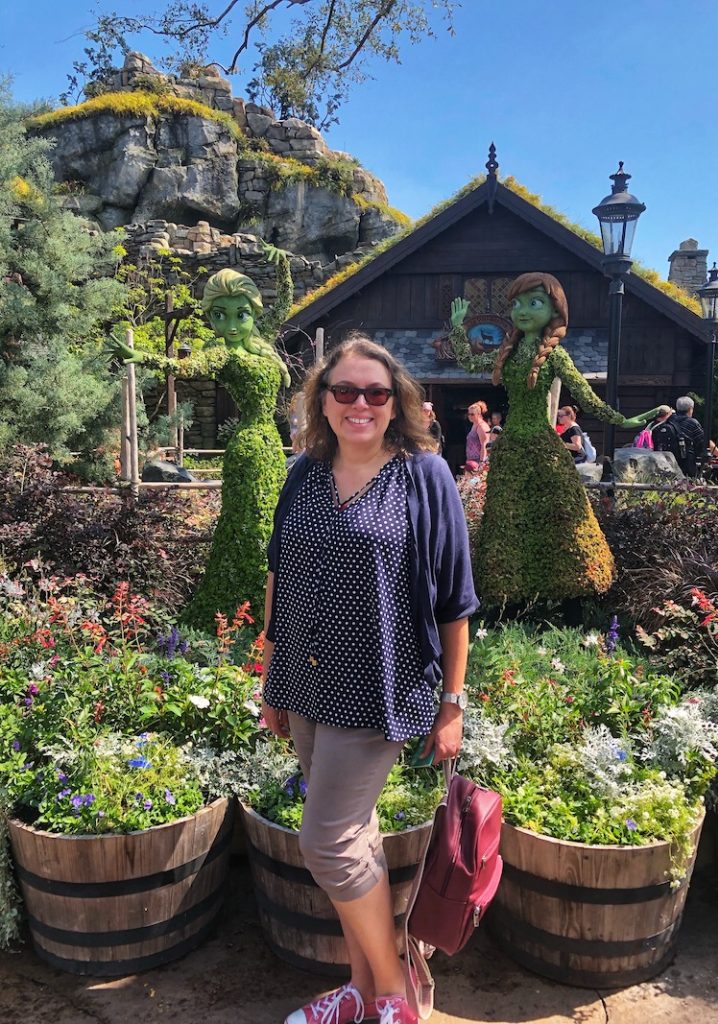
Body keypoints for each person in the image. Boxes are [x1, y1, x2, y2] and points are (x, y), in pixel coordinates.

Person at [261, 333, 478, 1024]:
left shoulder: (424, 476)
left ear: (396, 405)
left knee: (326, 839)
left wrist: (451, 704)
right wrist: (272, 676)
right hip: (304, 680)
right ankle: (358, 995)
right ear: (322, 402)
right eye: (345, 391)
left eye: (375, 393)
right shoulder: (302, 474)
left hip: (378, 688)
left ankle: (395, 994)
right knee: (356, 838)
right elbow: (277, 574)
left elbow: (455, 603)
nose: (360, 404)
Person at [449, 273, 662, 606]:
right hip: (511, 450)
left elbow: (585, 396)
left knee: (560, 517)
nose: (522, 310)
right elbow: (468, 361)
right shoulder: (509, 352)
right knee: (507, 520)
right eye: (517, 303)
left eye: (534, 303)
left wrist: (621, 419)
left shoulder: (555, 356)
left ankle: (574, 597)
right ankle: (508, 598)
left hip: (543, 448)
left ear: (554, 310)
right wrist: (458, 328)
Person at [107, 251, 292, 631]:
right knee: (249, 523)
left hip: (271, 445)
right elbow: (183, 367)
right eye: (218, 315)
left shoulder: (261, 342)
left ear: (253, 312)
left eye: (239, 313)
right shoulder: (220, 353)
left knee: (273, 520)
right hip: (248, 448)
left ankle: (269, 600)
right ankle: (248, 604)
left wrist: (281, 263)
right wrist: (139, 355)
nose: (230, 323)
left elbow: (285, 301)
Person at [667, 396, 708, 477]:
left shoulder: (669, 420)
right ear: (690, 409)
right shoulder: (692, 422)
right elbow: (703, 441)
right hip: (686, 463)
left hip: (668, 460)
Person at [465, 400, 490, 469]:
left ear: (479, 414)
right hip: (471, 461)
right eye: (468, 414)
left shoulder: (481, 426)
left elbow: (484, 445)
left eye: (472, 414)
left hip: (478, 461)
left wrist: (482, 463)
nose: (469, 416)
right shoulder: (474, 425)